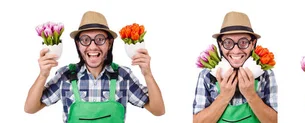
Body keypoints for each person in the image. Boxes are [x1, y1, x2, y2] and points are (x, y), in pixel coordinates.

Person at [24, 11, 165, 123]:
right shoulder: (65, 75)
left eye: (100, 39)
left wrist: (147, 74)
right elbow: (30, 108)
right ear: (78, 44)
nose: (92, 46)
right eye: (85, 40)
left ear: (109, 43)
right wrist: (43, 74)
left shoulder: (122, 75)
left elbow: (158, 110)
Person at [192, 11, 278, 123]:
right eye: (228, 43)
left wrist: (251, 94)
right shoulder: (206, 75)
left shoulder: (266, 74)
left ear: (253, 44)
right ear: (220, 45)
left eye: (243, 42)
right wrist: (224, 96)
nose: (236, 51)